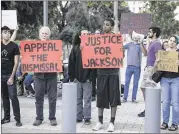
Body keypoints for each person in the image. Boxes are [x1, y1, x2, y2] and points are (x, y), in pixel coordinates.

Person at [92, 18, 121, 132]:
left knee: (113, 97)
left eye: (107, 25)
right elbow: (92, 53)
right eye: (103, 24)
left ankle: (111, 122)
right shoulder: (98, 40)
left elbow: (121, 55)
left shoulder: (116, 39)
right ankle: (99, 121)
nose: (104, 26)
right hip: (101, 72)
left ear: (112, 27)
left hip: (113, 72)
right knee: (101, 96)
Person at [68, 29, 94, 125]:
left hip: (87, 79)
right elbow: (71, 64)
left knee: (87, 99)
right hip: (77, 79)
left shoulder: (92, 48)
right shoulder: (75, 49)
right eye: (83, 34)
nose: (85, 35)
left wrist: (90, 78)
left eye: (87, 34)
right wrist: (72, 77)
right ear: (80, 36)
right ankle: (78, 117)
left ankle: (87, 117)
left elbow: (94, 65)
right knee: (78, 99)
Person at [33, 26, 57, 126]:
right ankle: (39, 118)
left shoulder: (54, 46)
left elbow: (58, 58)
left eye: (46, 33)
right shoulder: (34, 46)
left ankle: (52, 118)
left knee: (52, 98)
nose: (44, 35)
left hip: (51, 75)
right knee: (38, 97)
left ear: (49, 35)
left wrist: (60, 56)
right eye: (42, 33)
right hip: (38, 76)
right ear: (39, 35)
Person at [138, 27, 162, 117]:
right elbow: (145, 54)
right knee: (145, 88)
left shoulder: (157, 43)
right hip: (148, 68)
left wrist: (153, 70)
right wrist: (140, 43)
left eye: (150, 31)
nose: (148, 33)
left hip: (151, 69)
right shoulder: (152, 43)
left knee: (144, 87)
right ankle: (149, 108)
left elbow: (158, 58)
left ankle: (149, 108)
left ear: (155, 33)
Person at [1, 26, 22, 126]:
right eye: (5, 32)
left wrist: (12, 77)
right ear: (1, 34)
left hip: (10, 74)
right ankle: (6, 118)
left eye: (9, 32)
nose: (8, 34)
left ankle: (18, 119)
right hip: (1, 75)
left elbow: (16, 63)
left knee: (13, 96)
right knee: (4, 97)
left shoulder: (14, 46)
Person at [160, 36, 179, 131]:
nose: (172, 42)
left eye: (174, 41)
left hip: (176, 79)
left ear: (176, 44)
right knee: (165, 102)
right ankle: (165, 122)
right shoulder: (164, 52)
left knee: (175, 102)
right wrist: (157, 61)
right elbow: (157, 67)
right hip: (165, 79)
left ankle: (175, 123)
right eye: (170, 40)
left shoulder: (178, 53)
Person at [122, 32, 142, 103]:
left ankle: (133, 98)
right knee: (127, 82)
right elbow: (122, 47)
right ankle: (125, 98)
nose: (136, 38)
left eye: (137, 37)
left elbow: (142, 55)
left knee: (135, 84)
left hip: (137, 67)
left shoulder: (140, 46)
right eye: (134, 37)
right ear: (132, 37)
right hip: (129, 67)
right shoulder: (129, 44)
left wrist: (140, 67)